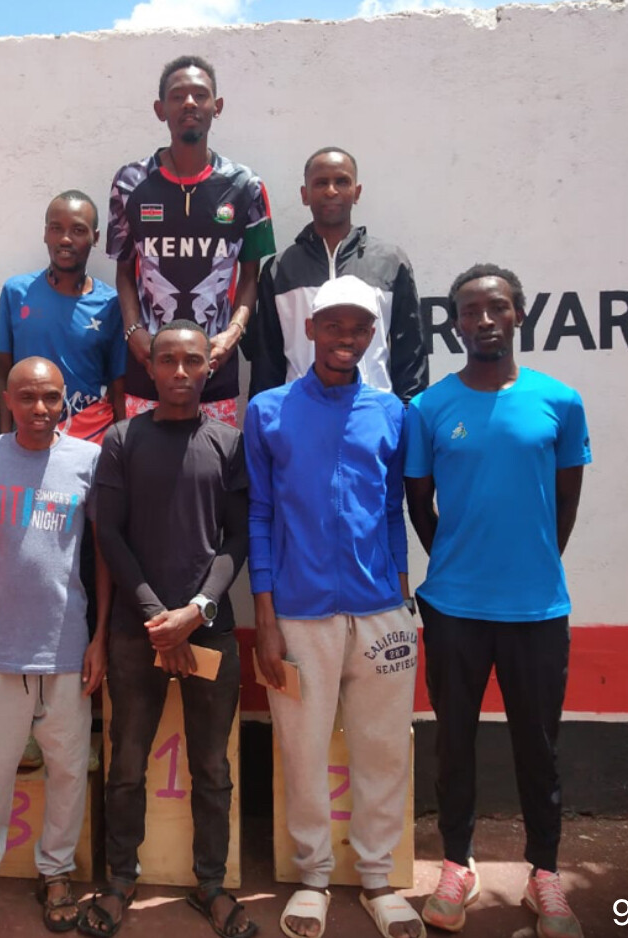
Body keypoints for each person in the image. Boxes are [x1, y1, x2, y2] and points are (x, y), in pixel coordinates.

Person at [404, 265, 590, 938]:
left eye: (497, 307)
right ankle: (457, 863)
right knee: (454, 743)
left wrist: (529, 563)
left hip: (537, 608)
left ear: (518, 316)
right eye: (470, 310)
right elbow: (420, 506)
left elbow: (564, 503)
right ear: (454, 323)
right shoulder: (429, 408)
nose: (484, 319)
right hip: (453, 608)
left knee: (538, 748)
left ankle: (545, 874)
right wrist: (459, 560)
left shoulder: (560, 401)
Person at [247, 276, 422, 938]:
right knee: (302, 749)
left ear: (372, 335)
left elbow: (393, 509)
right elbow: (260, 515)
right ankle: (314, 877)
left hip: (381, 611)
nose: (346, 337)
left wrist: (400, 593)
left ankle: (377, 877)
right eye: (334, 325)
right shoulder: (268, 411)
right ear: (310, 329)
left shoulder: (392, 412)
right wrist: (265, 619)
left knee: (383, 749)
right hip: (299, 612)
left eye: (359, 327)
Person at [81, 320, 253, 938]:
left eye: (193, 361)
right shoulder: (122, 439)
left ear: (211, 367)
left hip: (208, 629)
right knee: (127, 764)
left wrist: (197, 610)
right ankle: (120, 880)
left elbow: (239, 537)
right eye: (168, 360)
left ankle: (212, 885)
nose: (181, 371)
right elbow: (109, 534)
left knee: (213, 768)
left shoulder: (229, 443)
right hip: (138, 633)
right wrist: (159, 615)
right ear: (148, 369)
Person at [0, 357, 108, 936]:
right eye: (28, 397)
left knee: (68, 770)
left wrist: (99, 637)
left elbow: (101, 555)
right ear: (7, 401)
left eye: (51, 397)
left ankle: (56, 871)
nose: (40, 409)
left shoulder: (88, 460)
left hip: (67, 647)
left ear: (66, 400)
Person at [107, 55, 275, 427]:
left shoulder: (246, 185)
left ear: (217, 106)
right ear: (160, 109)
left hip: (216, 366)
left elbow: (251, 276)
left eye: (200, 95)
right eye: (177, 95)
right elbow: (124, 271)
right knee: (147, 462)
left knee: (213, 462)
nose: (189, 103)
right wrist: (135, 334)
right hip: (147, 366)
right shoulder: (129, 182)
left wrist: (231, 335)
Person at [244, 147, 427, 403]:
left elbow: (411, 354)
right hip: (298, 413)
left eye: (342, 181)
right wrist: (267, 418)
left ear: (357, 192)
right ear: (305, 194)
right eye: (321, 183)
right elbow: (267, 359)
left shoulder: (390, 262)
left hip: (372, 413)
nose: (331, 191)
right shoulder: (280, 268)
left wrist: (409, 415)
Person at [0, 191, 126, 444]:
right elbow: (3, 371)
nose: (65, 239)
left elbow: (118, 386)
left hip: (92, 438)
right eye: (56, 229)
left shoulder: (111, 304)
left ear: (95, 237)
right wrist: (4, 439)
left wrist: (122, 449)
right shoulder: (16, 293)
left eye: (78, 230)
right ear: (45, 233)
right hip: (31, 437)